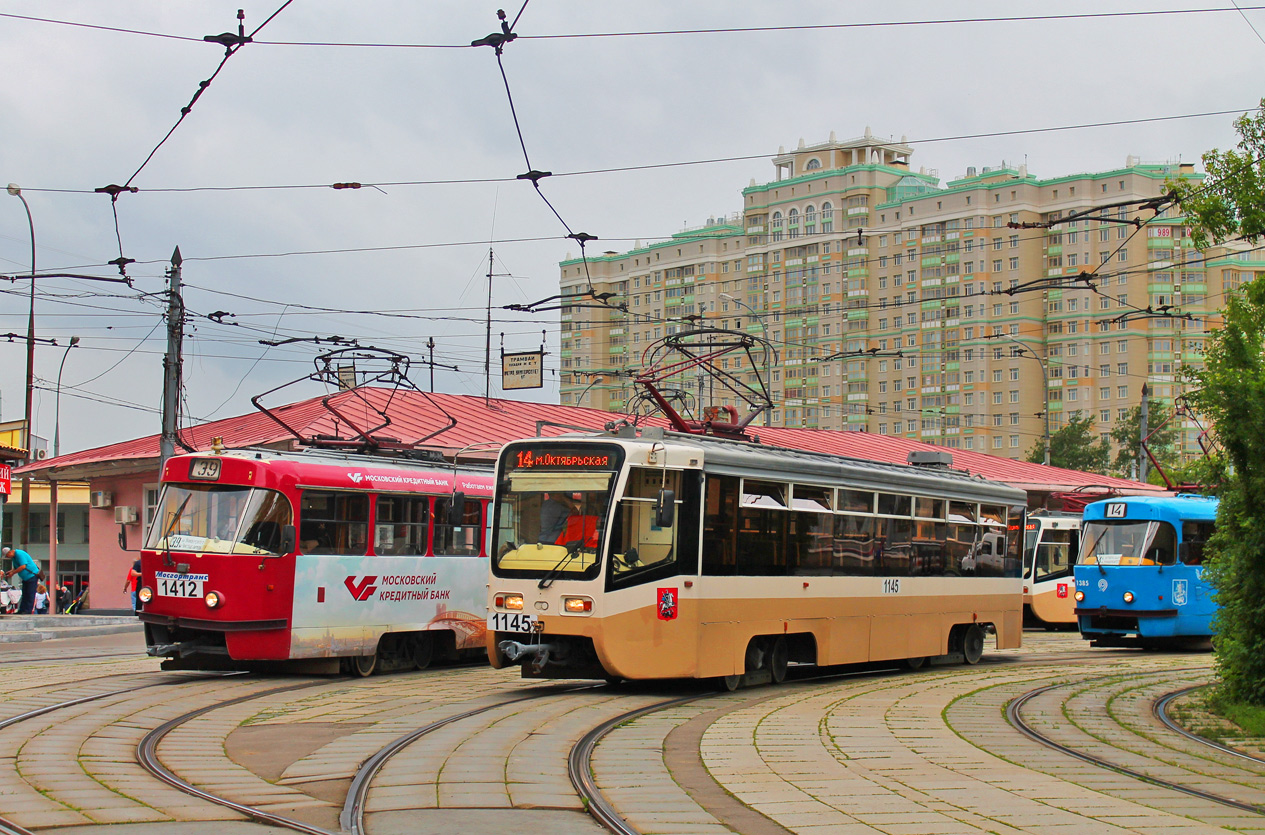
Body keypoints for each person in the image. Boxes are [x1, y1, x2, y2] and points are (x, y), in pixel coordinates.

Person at [2, 546, 41, 615]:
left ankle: (28, 610)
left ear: (10, 552)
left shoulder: (19, 554)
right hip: (25, 578)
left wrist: (13, 573)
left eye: (7, 555)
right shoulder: (14, 558)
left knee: (30, 594)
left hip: (31, 576)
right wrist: (11, 571)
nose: (8, 557)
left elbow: (23, 566)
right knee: (25, 594)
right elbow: (16, 567)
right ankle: (22, 609)